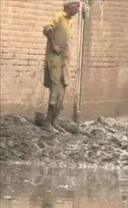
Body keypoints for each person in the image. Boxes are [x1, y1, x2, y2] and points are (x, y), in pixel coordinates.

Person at [42, 0, 82, 132]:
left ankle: (54, 121)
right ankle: (47, 123)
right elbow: (47, 29)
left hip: (64, 62)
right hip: (55, 61)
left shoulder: (70, 21)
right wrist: (53, 44)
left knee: (62, 91)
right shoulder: (58, 16)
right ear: (68, 6)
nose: (78, 8)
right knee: (55, 92)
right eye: (76, 5)